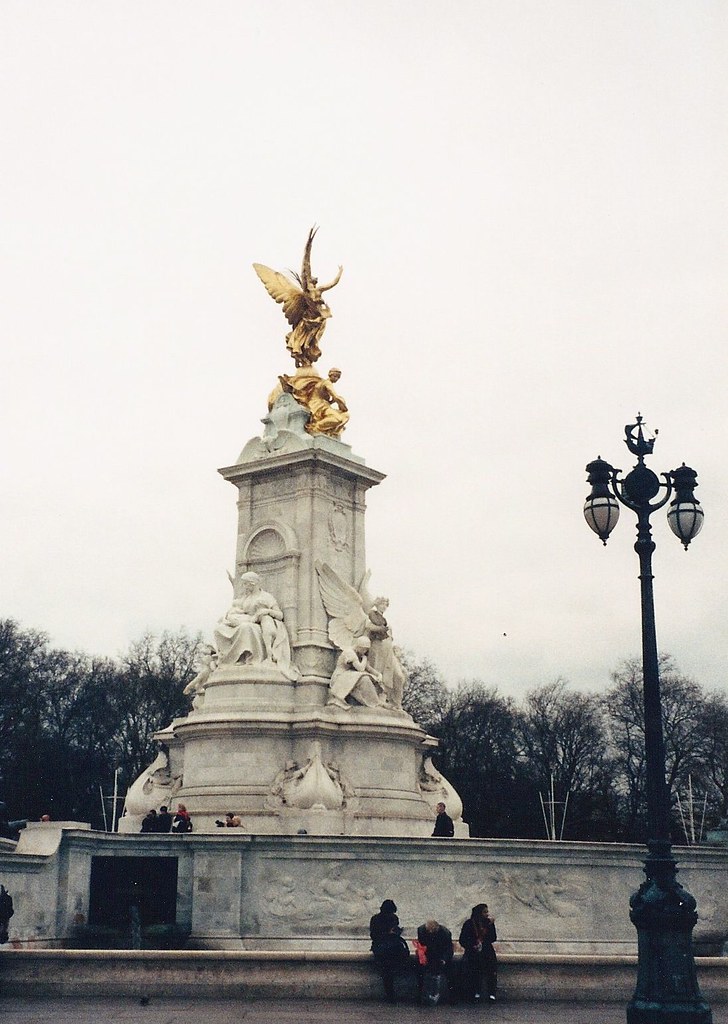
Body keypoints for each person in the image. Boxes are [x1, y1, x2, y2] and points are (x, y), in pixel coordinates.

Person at [458, 903, 497, 1002]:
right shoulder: (469, 924)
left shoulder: (489, 923)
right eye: (485, 912)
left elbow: (493, 937)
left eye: (487, 912)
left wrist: (484, 940)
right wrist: (472, 945)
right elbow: (463, 939)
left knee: (491, 972)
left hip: (487, 950)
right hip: (473, 951)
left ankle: (491, 994)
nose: (487, 914)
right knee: (475, 972)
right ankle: (476, 992)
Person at [370, 910, 410, 1003]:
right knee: (391, 973)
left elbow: (372, 934)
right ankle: (392, 996)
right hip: (392, 953)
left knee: (387, 975)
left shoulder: (375, 919)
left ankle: (390, 995)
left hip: (381, 951)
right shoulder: (393, 920)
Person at [415, 920, 453, 1003]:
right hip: (428, 955)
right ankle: (421, 995)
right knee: (420, 973)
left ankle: (452, 997)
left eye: (432, 931)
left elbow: (448, 948)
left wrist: (444, 959)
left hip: (440, 954)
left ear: (437, 929)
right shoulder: (421, 930)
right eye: (429, 931)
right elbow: (422, 945)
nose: (430, 933)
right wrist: (422, 956)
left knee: (450, 975)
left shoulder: (445, 933)